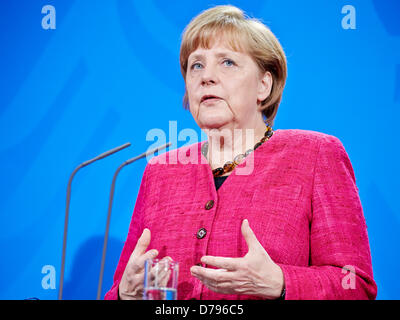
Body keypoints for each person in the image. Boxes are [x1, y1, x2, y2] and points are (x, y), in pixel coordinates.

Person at [105, 5, 377, 300]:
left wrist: (280, 283)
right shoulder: (160, 171)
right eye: (196, 65)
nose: (206, 77)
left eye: (227, 63)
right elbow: (120, 289)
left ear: (264, 84)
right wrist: (125, 294)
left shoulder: (315, 155)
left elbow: (356, 286)